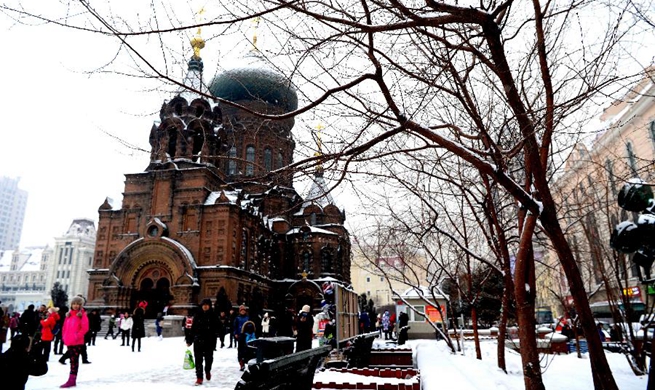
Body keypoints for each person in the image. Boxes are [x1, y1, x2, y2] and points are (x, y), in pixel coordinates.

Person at [185, 298, 219, 385]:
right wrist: (189, 340)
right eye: (203, 305)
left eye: (207, 305)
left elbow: (219, 327)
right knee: (198, 360)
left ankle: (207, 370)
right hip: (198, 341)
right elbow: (193, 329)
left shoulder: (213, 315)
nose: (205, 306)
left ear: (209, 306)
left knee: (209, 359)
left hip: (209, 341)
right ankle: (199, 377)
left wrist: (217, 334)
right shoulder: (197, 315)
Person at [59, 295, 89, 388]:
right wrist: (64, 336)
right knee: (72, 360)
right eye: (74, 303)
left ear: (81, 305)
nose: (75, 305)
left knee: (74, 361)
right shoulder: (69, 315)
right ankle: (71, 379)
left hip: (77, 341)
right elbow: (64, 327)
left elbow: (85, 328)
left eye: (78, 304)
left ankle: (72, 380)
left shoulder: (82, 315)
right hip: (69, 340)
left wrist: (76, 336)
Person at [233, 305, 250, 371]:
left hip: (247, 335)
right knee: (240, 350)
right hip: (240, 335)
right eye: (241, 310)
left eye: (244, 310)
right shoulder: (237, 318)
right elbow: (235, 327)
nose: (243, 311)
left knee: (247, 349)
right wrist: (235, 333)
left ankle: (246, 361)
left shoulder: (248, 318)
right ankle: (241, 363)